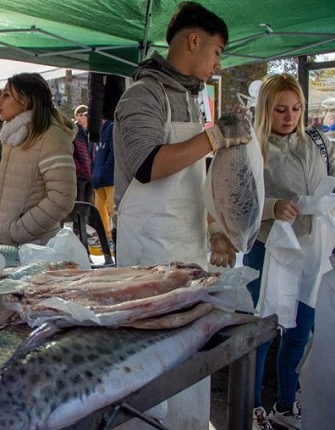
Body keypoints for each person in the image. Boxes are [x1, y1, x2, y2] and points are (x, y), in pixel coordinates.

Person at [113, 2, 250, 429]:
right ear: (194, 40)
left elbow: (193, 178)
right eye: (217, 50)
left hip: (188, 251)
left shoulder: (194, 98)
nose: (217, 62)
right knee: (151, 378)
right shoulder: (143, 94)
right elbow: (147, 165)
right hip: (148, 257)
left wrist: (214, 228)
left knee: (188, 374)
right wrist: (215, 136)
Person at [244, 73, 335, 430]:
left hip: (311, 249)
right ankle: (251, 406)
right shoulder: (253, 147)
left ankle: (285, 402)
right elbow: (241, 198)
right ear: (266, 110)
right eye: (281, 109)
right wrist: (272, 207)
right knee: (264, 330)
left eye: (296, 108)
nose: (290, 116)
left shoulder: (315, 142)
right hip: (269, 249)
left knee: (299, 331)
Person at [0, 73, 76, 246]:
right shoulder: (12, 137)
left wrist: (19, 230)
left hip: (35, 248)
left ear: (25, 101)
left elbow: (62, 197)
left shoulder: (52, 137)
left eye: (6, 95)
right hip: (4, 244)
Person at [92, 115, 115, 244]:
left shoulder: (111, 128)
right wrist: (94, 172)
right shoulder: (98, 131)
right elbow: (94, 155)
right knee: (99, 210)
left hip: (109, 179)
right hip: (98, 178)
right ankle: (104, 238)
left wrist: (105, 171)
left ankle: (114, 235)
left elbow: (114, 153)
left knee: (112, 209)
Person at [72, 105, 93, 203]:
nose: (79, 118)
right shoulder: (74, 131)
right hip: (79, 175)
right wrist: (79, 168)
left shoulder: (92, 132)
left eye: (81, 115)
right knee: (80, 203)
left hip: (91, 174)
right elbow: (71, 153)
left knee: (89, 204)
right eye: (77, 115)